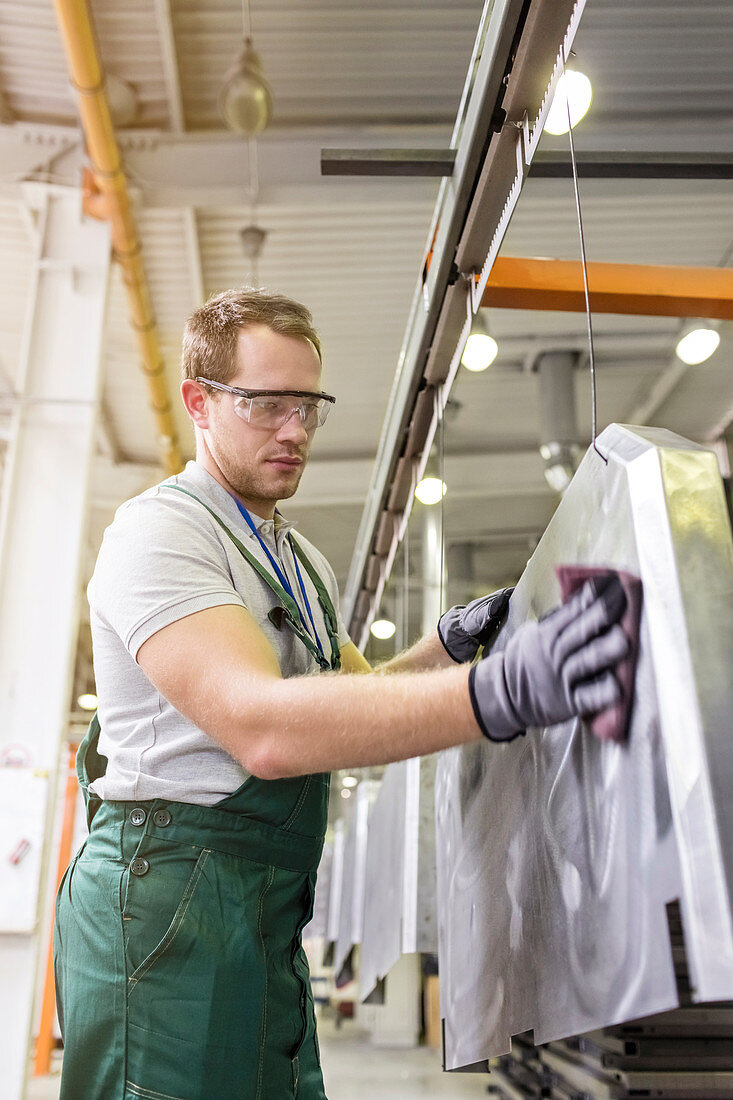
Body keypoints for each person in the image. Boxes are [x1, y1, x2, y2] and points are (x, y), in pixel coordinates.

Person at [54, 288, 628, 1100]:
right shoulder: (161, 533)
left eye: (307, 406)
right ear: (200, 402)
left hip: (263, 907)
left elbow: (352, 705)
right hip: (168, 904)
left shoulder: (300, 564)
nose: (293, 430)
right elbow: (263, 727)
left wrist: (445, 648)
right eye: (264, 404)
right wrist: (496, 690)